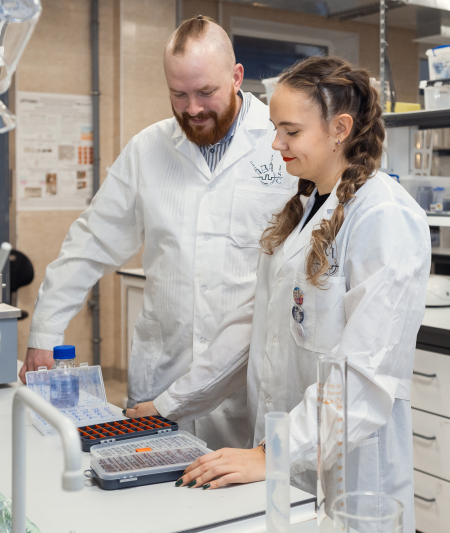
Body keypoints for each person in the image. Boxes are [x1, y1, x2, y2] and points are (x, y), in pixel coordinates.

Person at [125, 56, 430, 532]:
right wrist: (166, 406)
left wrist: (273, 453)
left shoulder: (384, 216)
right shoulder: (306, 208)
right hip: (287, 461)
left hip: (350, 472)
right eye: (274, 128)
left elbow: (362, 378)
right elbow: (252, 330)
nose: (275, 144)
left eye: (290, 131)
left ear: (340, 128)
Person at [21, 16, 296, 451]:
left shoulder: (282, 146)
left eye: (206, 92)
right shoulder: (147, 149)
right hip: (163, 371)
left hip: (246, 383)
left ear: (237, 76)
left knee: (239, 513)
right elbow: (91, 242)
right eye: (178, 94)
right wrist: (44, 333)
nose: (192, 109)